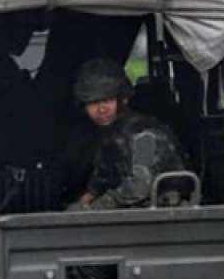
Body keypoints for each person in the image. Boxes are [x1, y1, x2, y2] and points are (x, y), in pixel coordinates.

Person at [66, 57, 188, 212]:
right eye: (93, 103)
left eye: (107, 100)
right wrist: (81, 205)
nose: (101, 109)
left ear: (123, 99)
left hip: (169, 216)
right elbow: (101, 180)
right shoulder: (110, 134)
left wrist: (94, 208)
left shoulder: (145, 133)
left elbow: (138, 188)